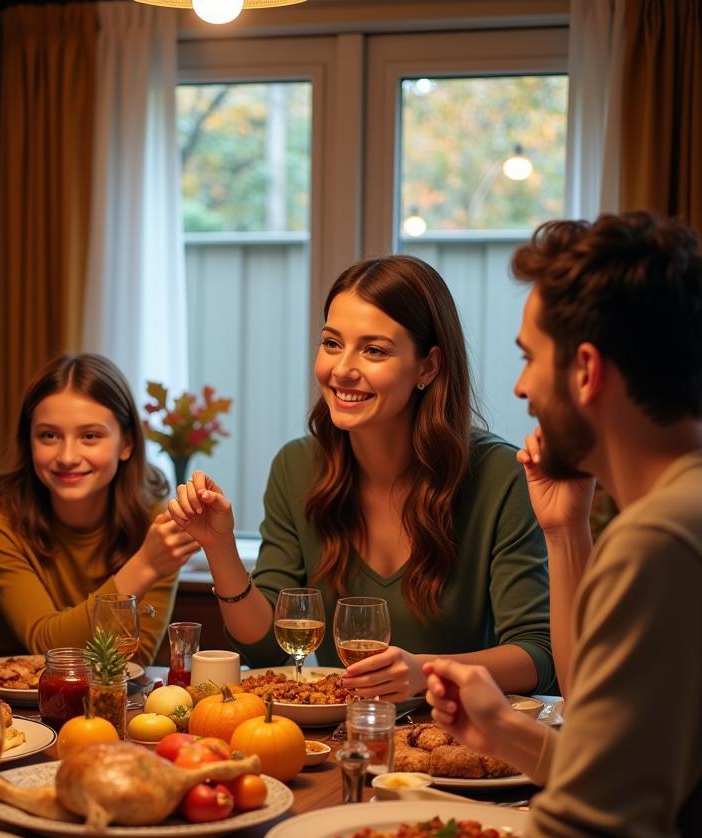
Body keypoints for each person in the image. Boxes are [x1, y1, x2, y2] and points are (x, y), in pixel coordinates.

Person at [424, 211, 702, 838]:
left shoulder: (658, 544)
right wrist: (509, 736)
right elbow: (653, 770)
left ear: (586, 370)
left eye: (526, 358)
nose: (518, 389)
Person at [169, 254, 554, 697]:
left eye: (374, 350)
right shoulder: (296, 467)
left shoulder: (499, 476)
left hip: (457, 739)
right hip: (342, 738)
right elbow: (267, 648)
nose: (342, 369)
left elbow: (536, 655)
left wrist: (423, 672)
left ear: (428, 367)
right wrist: (219, 548)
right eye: (332, 343)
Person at [0, 354, 198, 664]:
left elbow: (133, 659)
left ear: (126, 444)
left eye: (90, 436)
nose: (67, 456)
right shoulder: (0, 520)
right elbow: (45, 644)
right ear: (29, 442)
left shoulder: (156, 522)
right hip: (15, 706)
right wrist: (145, 565)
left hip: (113, 702)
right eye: (49, 435)